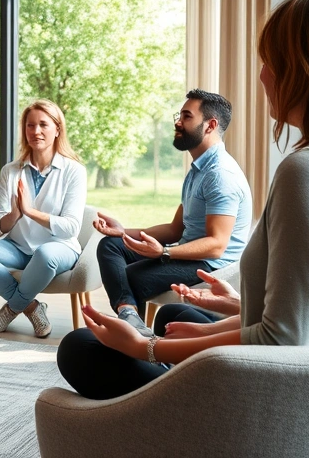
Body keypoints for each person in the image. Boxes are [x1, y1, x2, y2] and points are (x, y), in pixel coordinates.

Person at [56, 0, 309, 401]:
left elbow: (280, 343)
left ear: (308, 70)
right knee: (175, 314)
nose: (263, 75)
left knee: (80, 348)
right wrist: (231, 313)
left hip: (285, 397)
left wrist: (147, 348)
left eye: (272, 62)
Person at [93, 89, 252, 337]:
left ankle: (135, 336)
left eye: (187, 117)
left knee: (132, 277)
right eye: (180, 115)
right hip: (191, 251)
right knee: (112, 244)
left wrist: (165, 252)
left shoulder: (221, 175)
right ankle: (129, 315)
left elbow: (216, 245)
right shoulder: (198, 170)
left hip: (211, 263)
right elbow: (174, 229)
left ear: (210, 125)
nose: (178, 122)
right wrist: (123, 231)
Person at [0, 99, 87, 338]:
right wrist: (15, 215)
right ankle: (31, 307)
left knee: (44, 254)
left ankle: (12, 308)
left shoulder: (74, 171)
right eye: (30, 125)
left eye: (43, 125)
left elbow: (71, 228)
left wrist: (31, 212)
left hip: (59, 247)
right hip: (18, 247)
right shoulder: (10, 171)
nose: (36, 131)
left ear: (57, 129)